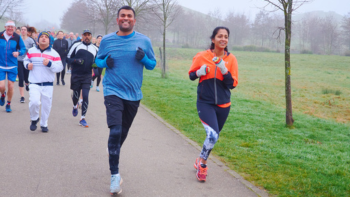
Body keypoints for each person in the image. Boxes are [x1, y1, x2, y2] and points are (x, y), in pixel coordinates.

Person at [95, 6, 156, 195]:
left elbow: (152, 65)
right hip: (112, 90)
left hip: (133, 94)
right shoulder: (106, 40)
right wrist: (105, 63)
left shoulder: (144, 40)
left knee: (122, 133)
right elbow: (98, 60)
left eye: (129, 16)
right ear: (117, 19)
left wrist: (144, 58)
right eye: (123, 16)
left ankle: (112, 149)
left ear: (134, 21)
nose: (126, 18)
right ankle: (115, 176)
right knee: (115, 130)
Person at [188, 26, 238, 182]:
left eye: (226, 36)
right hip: (205, 103)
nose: (223, 39)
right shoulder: (202, 56)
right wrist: (199, 72)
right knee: (212, 135)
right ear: (213, 39)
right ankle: (202, 165)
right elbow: (191, 75)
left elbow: (232, 84)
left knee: (213, 138)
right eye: (219, 36)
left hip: (224, 105)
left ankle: (200, 159)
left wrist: (224, 69)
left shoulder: (231, 59)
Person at [23, 31, 63, 132]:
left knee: (46, 105)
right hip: (34, 83)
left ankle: (44, 124)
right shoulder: (31, 51)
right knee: (34, 102)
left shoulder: (54, 53)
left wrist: (50, 64)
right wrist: (27, 65)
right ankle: (34, 118)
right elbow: (25, 60)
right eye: (42, 37)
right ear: (38, 39)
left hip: (48, 84)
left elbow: (60, 67)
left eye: (46, 37)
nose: (44, 38)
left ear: (49, 41)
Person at [67, 29, 98, 127]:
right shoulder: (76, 45)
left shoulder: (95, 49)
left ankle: (82, 118)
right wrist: (76, 60)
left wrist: (95, 67)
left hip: (87, 76)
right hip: (76, 74)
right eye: (85, 35)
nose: (87, 37)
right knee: (75, 95)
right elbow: (67, 59)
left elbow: (97, 62)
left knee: (85, 96)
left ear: (91, 37)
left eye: (89, 35)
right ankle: (75, 105)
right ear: (82, 36)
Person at [0, 20, 26, 112]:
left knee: (11, 86)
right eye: (8, 26)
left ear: (14, 28)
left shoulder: (17, 37)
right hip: (1, 66)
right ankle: (3, 94)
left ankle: (8, 103)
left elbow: (23, 49)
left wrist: (18, 52)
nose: (10, 28)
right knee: (1, 86)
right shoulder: (0, 35)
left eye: (12, 27)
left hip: (12, 65)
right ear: (5, 27)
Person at [17, 26, 36, 103]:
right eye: (22, 30)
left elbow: (34, 50)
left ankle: (27, 83)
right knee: (21, 78)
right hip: (19, 60)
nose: (23, 31)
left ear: (27, 31)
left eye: (25, 30)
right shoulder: (17, 39)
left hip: (27, 61)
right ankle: (22, 96)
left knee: (27, 77)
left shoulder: (31, 40)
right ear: (21, 31)